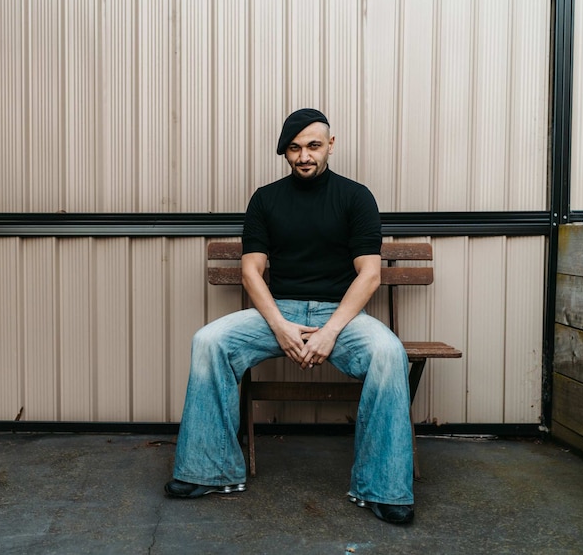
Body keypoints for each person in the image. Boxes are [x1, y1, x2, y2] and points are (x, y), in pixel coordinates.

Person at [163, 108, 415, 525]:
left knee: (389, 353)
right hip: (278, 312)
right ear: (286, 152)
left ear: (330, 145)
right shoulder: (266, 199)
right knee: (209, 341)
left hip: (342, 316)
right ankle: (208, 471)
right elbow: (250, 271)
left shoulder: (356, 197)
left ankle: (383, 488)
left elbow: (369, 275)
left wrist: (330, 332)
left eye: (313, 146)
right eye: (294, 148)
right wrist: (280, 327)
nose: (304, 156)